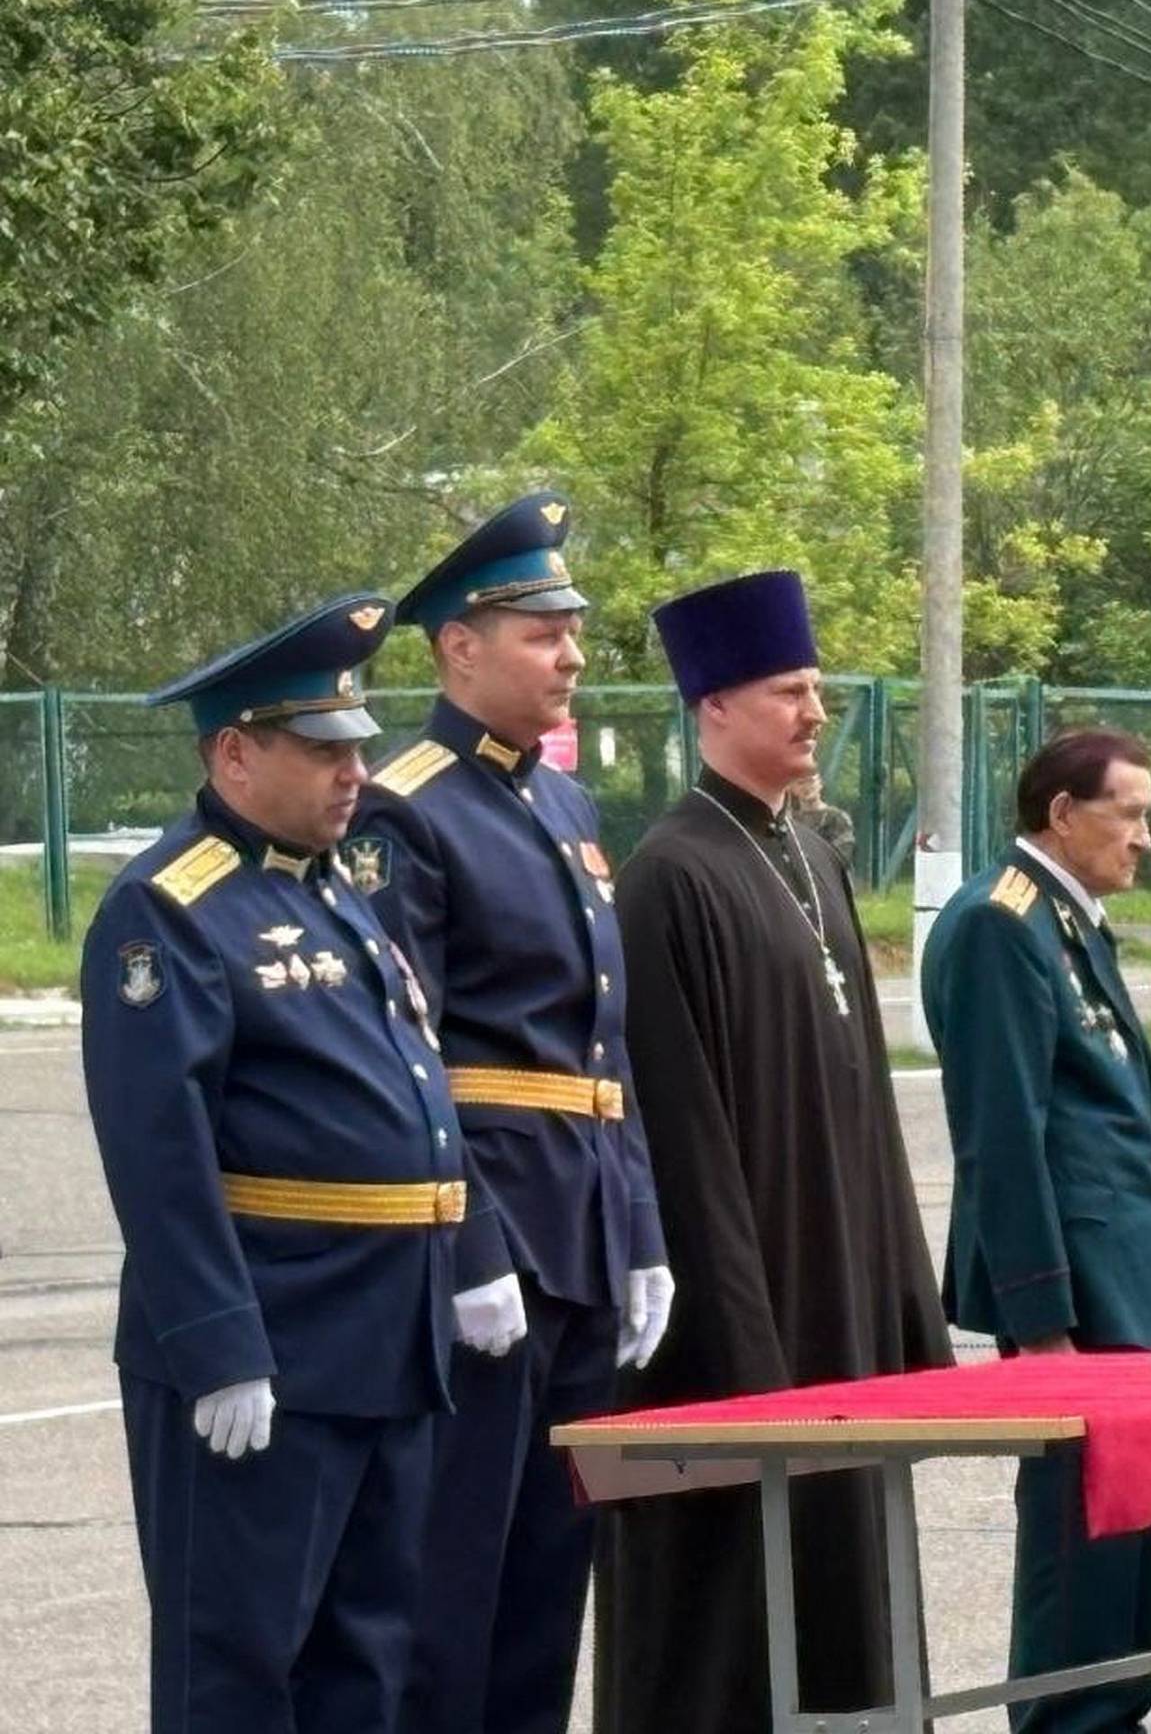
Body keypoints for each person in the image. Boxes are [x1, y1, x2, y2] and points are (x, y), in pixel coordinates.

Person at [81, 593, 465, 1734]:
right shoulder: (170, 908)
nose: (354, 772)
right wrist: (215, 1347)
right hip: (274, 1347)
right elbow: (159, 1149)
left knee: (365, 1658)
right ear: (235, 753)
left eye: (356, 746)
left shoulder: (335, 890)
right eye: (322, 749)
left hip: (386, 1338)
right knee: (237, 1667)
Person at [596, 569, 952, 1733]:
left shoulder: (811, 853)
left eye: (816, 690)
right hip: (745, 1333)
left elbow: (867, 1109)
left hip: (839, 1300)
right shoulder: (671, 876)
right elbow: (685, 1142)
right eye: (787, 691)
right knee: (734, 1617)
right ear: (713, 707)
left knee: (851, 1600)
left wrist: (907, 1309)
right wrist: (746, 1359)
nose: (813, 712)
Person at [344, 493, 674, 1734]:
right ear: (457, 648)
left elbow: (606, 1044)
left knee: (549, 1581)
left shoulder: (565, 807)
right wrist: (471, 1244)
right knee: (456, 1585)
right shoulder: (405, 809)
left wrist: (638, 1225)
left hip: (582, 1219)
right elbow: (405, 1051)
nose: (573, 656)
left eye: (573, 630)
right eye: (543, 632)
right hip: (492, 1231)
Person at [925, 725, 1151, 1734]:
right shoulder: (1002, 924)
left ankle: (1116, 1709)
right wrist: (1040, 1313)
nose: (1142, 838)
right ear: (1061, 814)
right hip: (1081, 1282)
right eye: (1127, 813)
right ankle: (1065, 1720)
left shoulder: (1066, 920)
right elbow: (1003, 1133)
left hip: (1130, 1268)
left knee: (1135, 1514)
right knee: (1079, 1527)